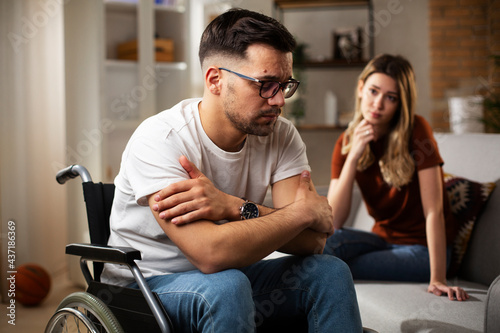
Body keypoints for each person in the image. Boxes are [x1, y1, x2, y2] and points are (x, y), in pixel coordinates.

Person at [101, 8, 363, 332]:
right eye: (266, 85)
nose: (280, 101)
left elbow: (311, 244)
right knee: (228, 286)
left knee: (330, 271)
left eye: (285, 85)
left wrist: (233, 206)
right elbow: (210, 254)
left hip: (229, 278)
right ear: (215, 80)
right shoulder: (161, 139)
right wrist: (303, 214)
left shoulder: (281, 135)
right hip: (144, 285)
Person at [324, 54, 469, 301]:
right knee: (323, 245)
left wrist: (438, 279)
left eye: (390, 97)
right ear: (361, 89)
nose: (378, 104)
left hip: (421, 251)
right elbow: (333, 220)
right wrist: (354, 154)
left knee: (333, 265)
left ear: (400, 103)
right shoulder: (346, 142)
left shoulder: (417, 130)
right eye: (373, 91)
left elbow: (434, 211)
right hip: (381, 239)